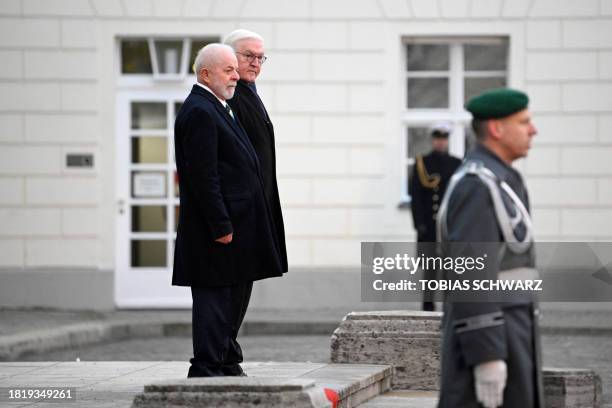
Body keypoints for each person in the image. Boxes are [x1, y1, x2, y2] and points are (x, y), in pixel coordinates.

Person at [172, 43, 285, 377]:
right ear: (205, 73)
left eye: (236, 69)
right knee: (215, 300)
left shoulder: (218, 106)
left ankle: (226, 359)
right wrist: (221, 224)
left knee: (232, 297)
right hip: (217, 231)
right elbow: (203, 177)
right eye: (229, 70)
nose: (237, 76)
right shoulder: (199, 111)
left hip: (237, 226)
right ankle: (207, 366)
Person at [436, 88, 543, 407]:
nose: (533, 130)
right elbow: (471, 273)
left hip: (511, 336)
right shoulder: (477, 184)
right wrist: (487, 355)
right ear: (496, 129)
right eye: (524, 122)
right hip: (493, 342)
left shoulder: (501, 180)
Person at [224, 29, 288, 274]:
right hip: (242, 213)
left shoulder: (248, 90)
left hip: (256, 207)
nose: (255, 63)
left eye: (260, 58)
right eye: (249, 56)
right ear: (229, 58)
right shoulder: (231, 94)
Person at [409, 122, 462, 311]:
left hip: (449, 227)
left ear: (447, 141)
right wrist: (419, 224)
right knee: (430, 272)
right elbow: (415, 196)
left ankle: (449, 308)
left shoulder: (457, 164)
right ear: (433, 140)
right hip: (429, 228)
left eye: (444, 139)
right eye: (437, 139)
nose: (440, 142)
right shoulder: (422, 163)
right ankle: (428, 307)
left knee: (450, 271)